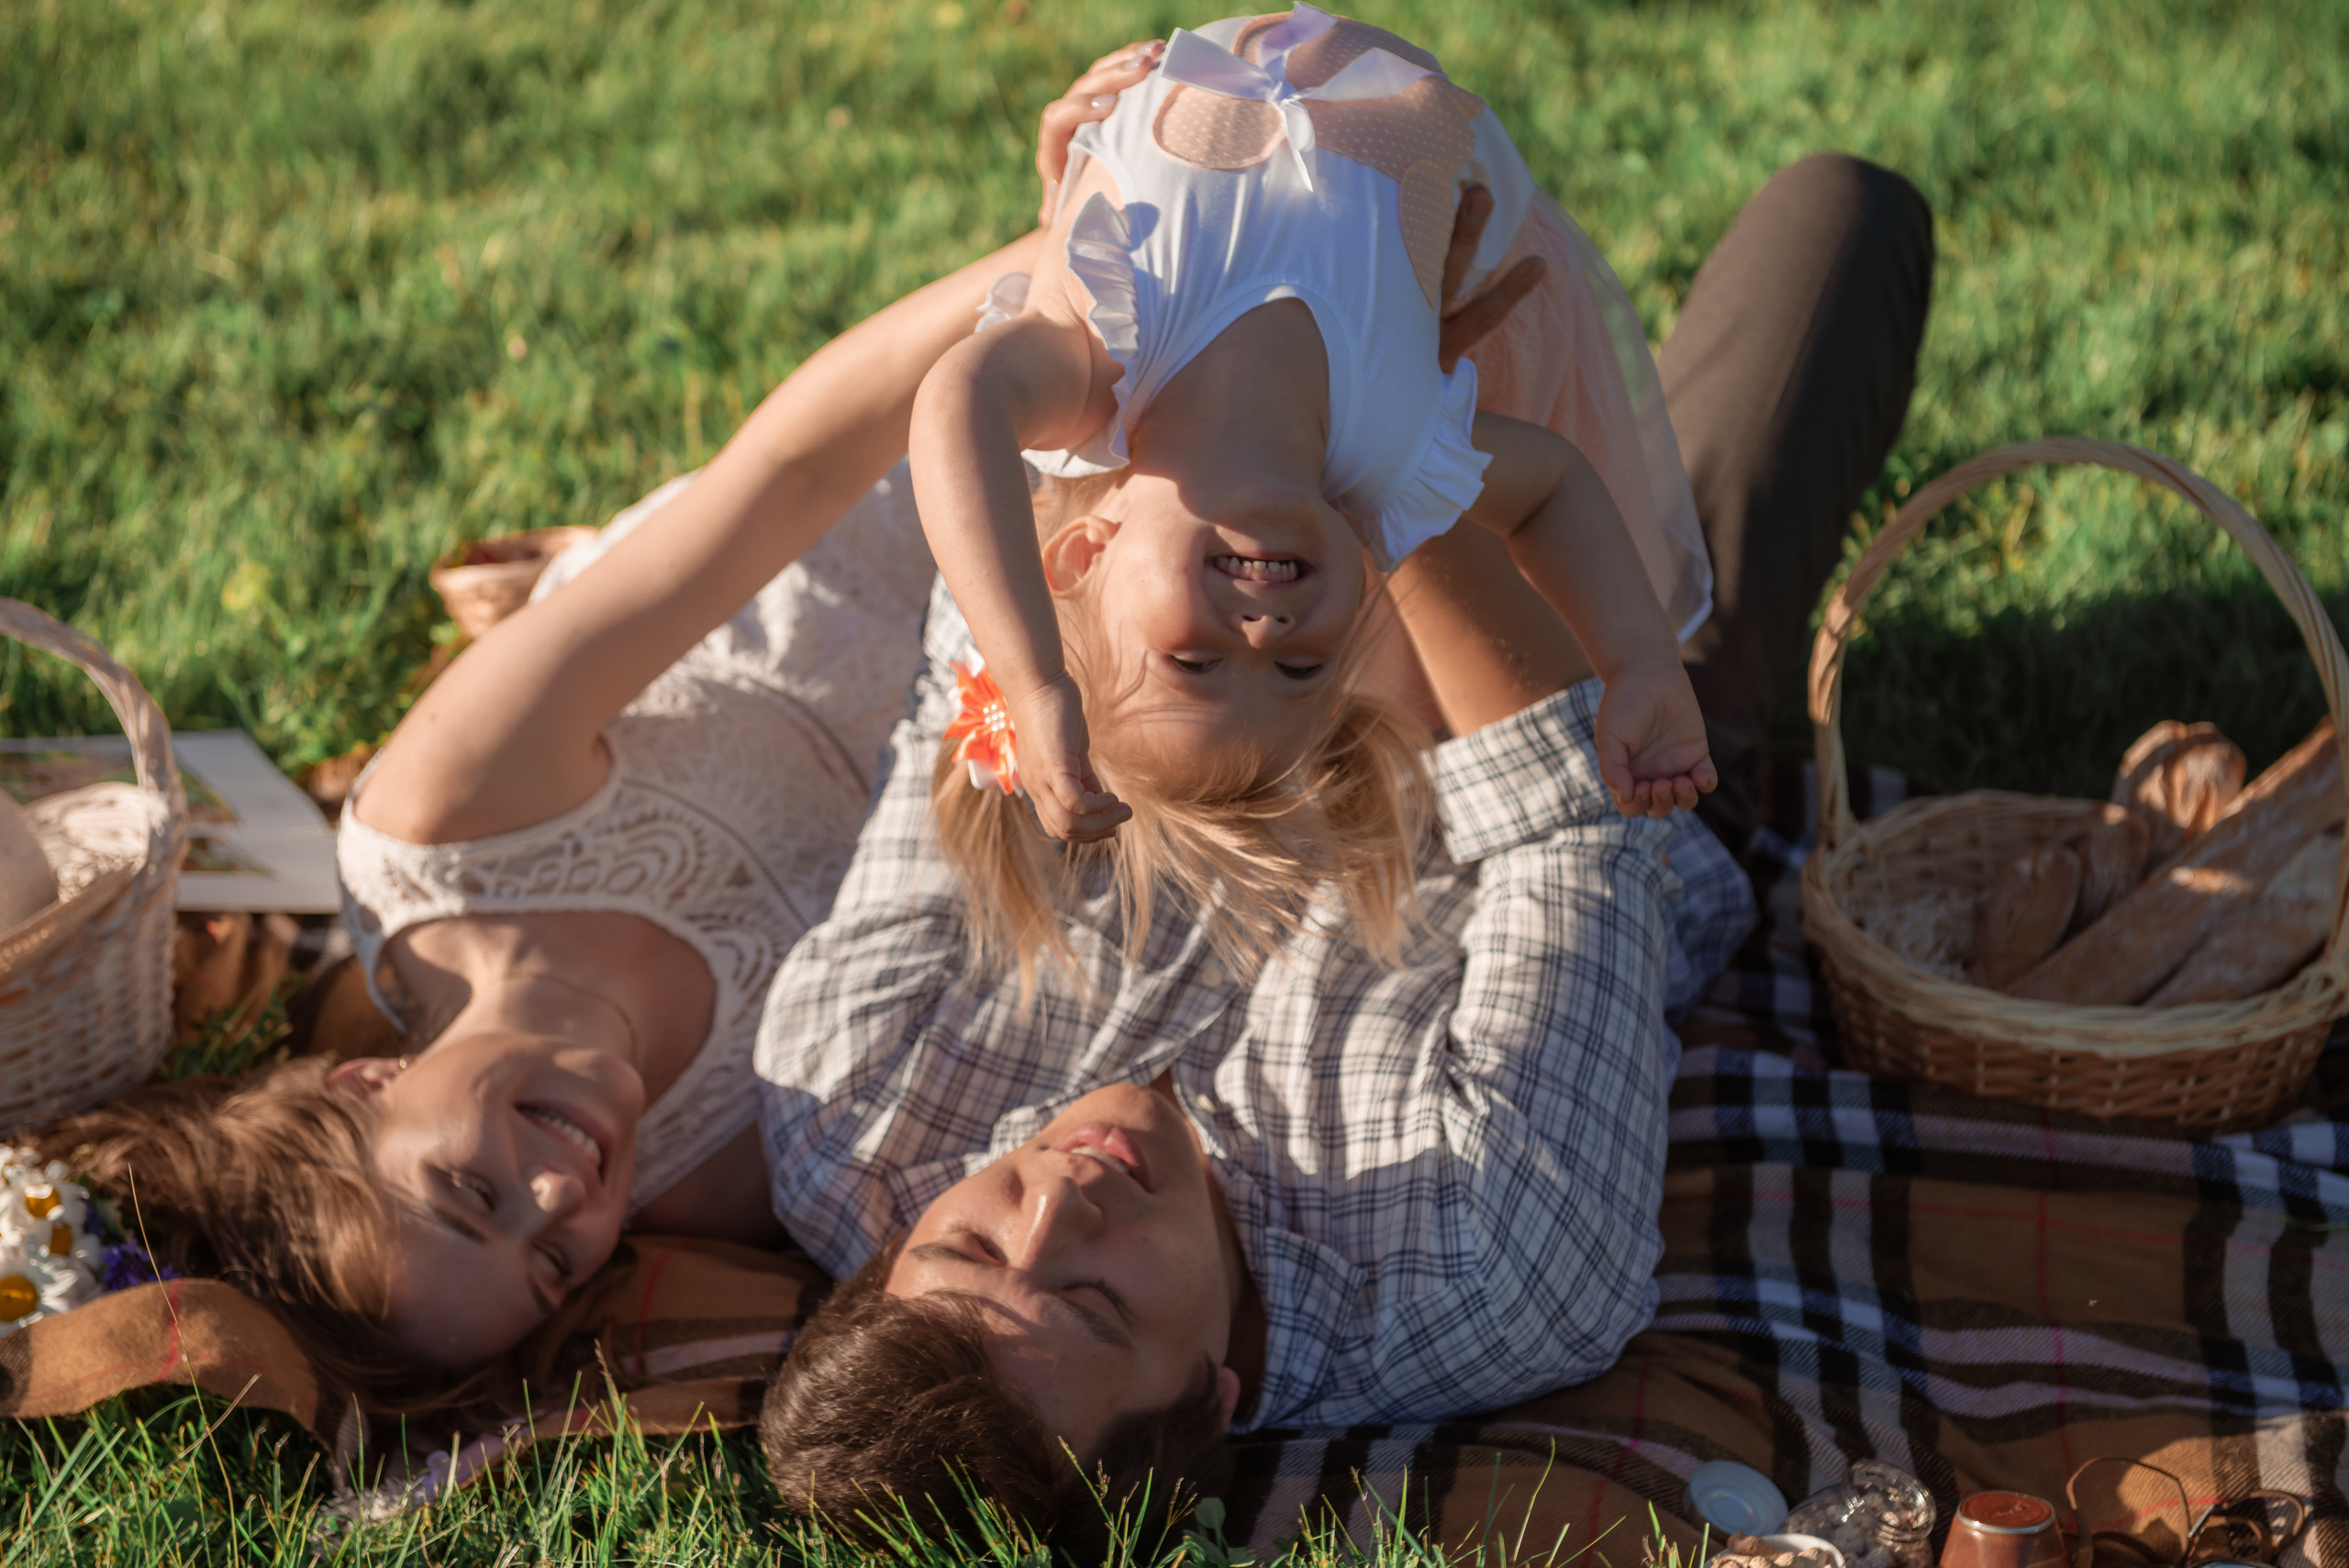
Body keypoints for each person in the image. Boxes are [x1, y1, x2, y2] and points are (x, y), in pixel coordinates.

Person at [17, 44, 1537, 1411]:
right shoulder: (738, 1158)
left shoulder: (444, 822)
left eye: (473, 1187)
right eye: (554, 1260)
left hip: (897, 504)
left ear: (359, 1083)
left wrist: (1076, 279)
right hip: (1076, 652)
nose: (563, 1185)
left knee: (1302, 192)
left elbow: (792, 464)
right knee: (1437, 436)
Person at [753, 142, 1936, 1550]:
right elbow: (1577, 818)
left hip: (1200, 607)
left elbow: (974, 686)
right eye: (1092, 1302)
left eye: (968, 1237)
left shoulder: (850, 1101)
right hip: (1567, 719)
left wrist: (1155, 276)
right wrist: (1388, 445)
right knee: (1842, 219)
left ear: (891, 1250)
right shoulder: (1485, 1265)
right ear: (1217, 1397)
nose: (1059, 1202)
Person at [908, 6, 1723, 998]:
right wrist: (1635, 654)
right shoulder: (1393, 455)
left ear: (1084, 552)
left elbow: (955, 401)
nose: (1263, 630)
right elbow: (1550, 487)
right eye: (1300, 668)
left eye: (1194, 660)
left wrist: (1036, 681)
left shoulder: (1095, 370)